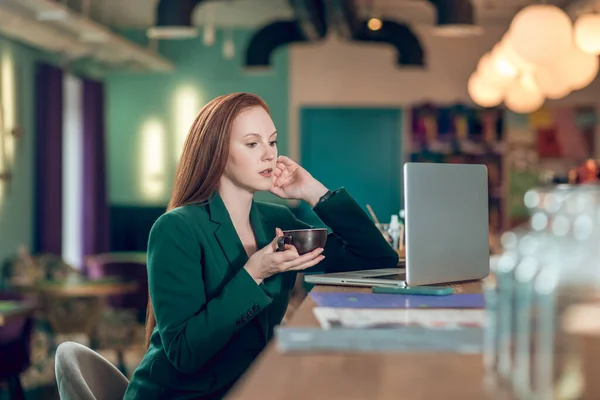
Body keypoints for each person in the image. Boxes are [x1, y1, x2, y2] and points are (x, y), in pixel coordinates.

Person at [123, 92, 399, 400]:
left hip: (253, 387)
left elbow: (376, 258)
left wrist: (313, 191)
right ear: (216, 152)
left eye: (273, 141)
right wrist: (253, 274)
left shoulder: (276, 220)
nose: (269, 155)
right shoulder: (176, 228)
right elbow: (185, 354)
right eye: (253, 144)